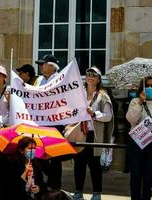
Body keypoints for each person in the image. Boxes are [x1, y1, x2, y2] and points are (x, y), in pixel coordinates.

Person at [73, 67, 114, 200]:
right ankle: (78, 191)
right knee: (79, 163)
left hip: (93, 135)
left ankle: (97, 193)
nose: (90, 77)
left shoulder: (103, 96)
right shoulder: (80, 94)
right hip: (80, 133)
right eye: (88, 74)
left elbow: (108, 116)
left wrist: (94, 113)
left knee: (94, 165)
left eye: (94, 75)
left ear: (98, 79)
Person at [34, 54, 64, 191]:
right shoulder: (39, 80)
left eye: (43, 64)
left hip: (55, 122)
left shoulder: (60, 79)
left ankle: (55, 185)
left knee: (55, 156)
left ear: (52, 66)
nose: (41, 66)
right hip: (41, 122)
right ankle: (40, 183)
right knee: (38, 154)